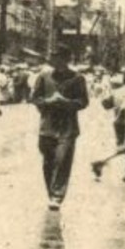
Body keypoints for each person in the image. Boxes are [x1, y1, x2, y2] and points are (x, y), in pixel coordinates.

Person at [31, 52, 90, 211]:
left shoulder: (77, 79)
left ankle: (57, 196)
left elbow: (83, 102)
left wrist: (66, 102)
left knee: (62, 160)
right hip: (47, 127)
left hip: (67, 128)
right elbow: (35, 98)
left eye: (61, 60)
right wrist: (48, 101)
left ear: (67, 60)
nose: (57, 63)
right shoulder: (44, 77)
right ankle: (51, 192)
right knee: (48, 162)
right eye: (54, 60)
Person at [90, 69, 125, 180]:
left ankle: (101, 163)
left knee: (123, 147)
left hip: (118, 123)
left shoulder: (117, 91)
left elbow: (106, 104)